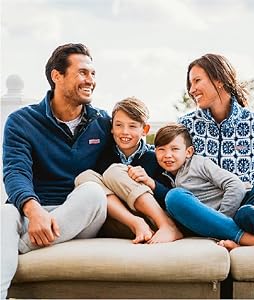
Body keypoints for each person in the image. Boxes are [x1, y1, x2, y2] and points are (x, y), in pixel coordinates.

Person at [1, 43, 114, 299]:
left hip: (81, 216)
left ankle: (20, 248)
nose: (91, 80)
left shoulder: (103, 122)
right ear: (57, 76)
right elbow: (15, 172)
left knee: (93, 192)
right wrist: (34, 210)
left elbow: (124, 162)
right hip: (36, 212)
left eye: (93, 74)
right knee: (5, 212)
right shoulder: (21, 121)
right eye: (83, 73)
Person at [178, 53, 254, 237]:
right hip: (218, 212)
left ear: (219, 80)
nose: (191, 89)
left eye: (196, 81)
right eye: (190, 84)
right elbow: (168, 158)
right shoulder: (186, 126)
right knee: (247, 214)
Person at [154, 123, 254, 249]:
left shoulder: (198, 163)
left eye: (174, 149)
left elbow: (236, 185)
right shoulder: (166, 178)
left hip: (252, 196)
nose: (167, 155)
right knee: (250, 216)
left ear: (188, 152)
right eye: (161, 149)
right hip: (241, 214)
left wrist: (221, 218)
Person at [75, 97, 183, 244]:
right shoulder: (103, 157)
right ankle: (136, 223)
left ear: (145, 130)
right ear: (112, 128)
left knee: (113, 172)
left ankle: (167, 226)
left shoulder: (155, 158)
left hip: (152, 220)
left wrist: (150, 183)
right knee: (84, 178)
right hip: (123, 222)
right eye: (119, 125)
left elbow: (170, 197)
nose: (125, 132)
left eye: (132, 126)